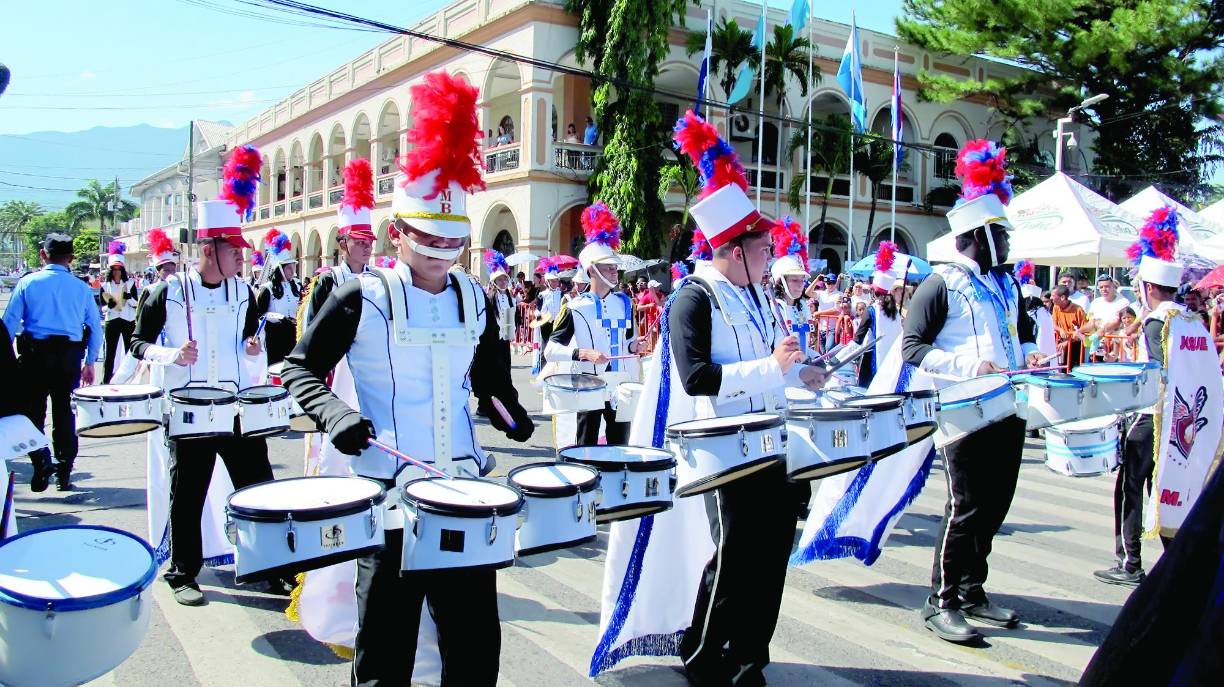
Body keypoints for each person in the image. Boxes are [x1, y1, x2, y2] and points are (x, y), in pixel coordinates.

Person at [281, 70, 534, 686]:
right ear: (397, 234)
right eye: (428, 244)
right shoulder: (357, 297)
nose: (441, 258)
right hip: (389, 501)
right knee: (385, 655)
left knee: (475, 651)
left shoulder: (477, 298)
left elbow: (490, 379)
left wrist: (509, 410)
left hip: (465, 493)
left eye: (453, 244)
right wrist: (338, 417)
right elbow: (300, 370)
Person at [592, 110, 827, 684]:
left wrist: (803, 375)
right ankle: (702, 655)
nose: (772, 256)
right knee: (732, 559)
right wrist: (772, 371)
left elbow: (776, 368)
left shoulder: (760, 298)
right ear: (732, 248)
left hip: (771, 445)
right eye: (762, 246)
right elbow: (698, 377)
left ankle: (750, 655)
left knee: (772, 555)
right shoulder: (691, 299)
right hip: (723, 453)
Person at [902, 139, 1041, 644]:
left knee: (996, 505)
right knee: (965, 507)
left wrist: (1031, 357)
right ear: (978, 235)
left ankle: (972, 590)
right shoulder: (940, 284)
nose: (1005, 242)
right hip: (963, 412)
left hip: (1009, 408)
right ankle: (940, 601)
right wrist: (968, 365)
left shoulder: (1007, 283)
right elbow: (912, 348)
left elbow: (1020, 332)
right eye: (998, 234)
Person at [129, 145, 275, 606]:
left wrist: (253, 348)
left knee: (258, 487)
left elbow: (250, 340)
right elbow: (137, 344)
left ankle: (267, 564)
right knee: (188, 493)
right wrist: (172, 355)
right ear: (210, 249)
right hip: (190, 411)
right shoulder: (166, 292)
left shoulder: (245, 292)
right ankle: (182, 573)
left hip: (234, 409)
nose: (242, 258)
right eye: (235, 250)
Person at [1093, 211, 1186, 588]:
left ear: (1148, 288)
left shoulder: (1154, 323)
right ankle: (1178, 560)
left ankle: (1130, 562)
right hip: (1184, 420)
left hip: (1152, 416)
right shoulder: (1189, 318)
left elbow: (1157, 374)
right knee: (1167, 490)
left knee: (1130, 486)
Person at [2, 234, 102, 492]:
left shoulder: (28, 283)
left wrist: (7, 363)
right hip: (68, 359)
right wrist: (90, 362)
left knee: (32, 413)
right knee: (64, 414)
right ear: (70, 258)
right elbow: (95, 327)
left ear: (43, 255)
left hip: (36, 356)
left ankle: (41, 460)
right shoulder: (81, 288)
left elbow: (9, 325)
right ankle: (65, 470)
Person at [545, 202, 638, 446]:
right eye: (608, 268)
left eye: (615, 268)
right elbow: (550, 350)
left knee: (621, 445)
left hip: (619, 384)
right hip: (589, 383)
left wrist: (633, 347)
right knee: (585, 445)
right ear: (592, 271)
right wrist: (583, 353)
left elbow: (627, 343)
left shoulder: (625, 303)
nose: (614, 272)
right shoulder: (575, 307)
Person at [302, 159, 375, 327]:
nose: (367, 247)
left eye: (369, 242)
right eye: (360, 242)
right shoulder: (328, 280)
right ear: (343, 245)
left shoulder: (376, 277)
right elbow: (311, 325)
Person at [855, 240, 905, 387]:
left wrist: (835, 359)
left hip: (873, 363)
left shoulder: (871, 310)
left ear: (873, 291)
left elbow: (857, 341)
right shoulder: (895, 310)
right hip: (893, 364)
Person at [769, 217, 815, 356]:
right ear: (781, 282)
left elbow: (805, 346)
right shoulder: (772, 309)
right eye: (794, 280)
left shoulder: (803, 306)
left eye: (802, 279)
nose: (801, 284)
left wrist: (816, 357)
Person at [255, 229, 301, 365]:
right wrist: (278, 317)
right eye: (288, 268)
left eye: (293, 267)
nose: (292, 271)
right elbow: (259, 316)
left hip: (293, 336)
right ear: (279, 269)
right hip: (275, 337)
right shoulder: (267, 289)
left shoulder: (297, 287)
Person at [100, 241, 139, 384]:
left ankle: (131, 379)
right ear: (111, 270)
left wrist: (129, 299)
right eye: (114, 269)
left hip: (128, 320)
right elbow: (102, 307)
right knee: (110, 353)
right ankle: (106, 381)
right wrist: (109, 305)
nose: (117, 271)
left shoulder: (130, 284)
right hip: (112, 320)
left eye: (119, 269)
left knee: (130, 352)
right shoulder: (105, 285)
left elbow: (137, 304)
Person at [1084, 274, 1130, 360]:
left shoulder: (1123, 302)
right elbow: (1091, 322)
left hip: (1116, 345)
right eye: (1101, 287)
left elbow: (1117, 322)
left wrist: (1103, 331)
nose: (1104, 289)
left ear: (1113, 286)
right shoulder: (1095, 302)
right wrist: (1079, 331)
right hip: (1099, 344)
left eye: (1107, 286)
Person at [485, 249, 516, 374]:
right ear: (494, 282)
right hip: (493, 337)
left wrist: (510, 333)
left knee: (505, 365)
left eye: (505, 280)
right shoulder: (490, 298)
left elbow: (511, 318)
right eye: (500, 280)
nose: (503, 282)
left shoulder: (510, 298)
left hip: (505, 338)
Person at [1051, 285, 1089, 368]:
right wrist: (1060, 329)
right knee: (1061, 369)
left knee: (1074, 370)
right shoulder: (1056, 307)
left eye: (1053, 296)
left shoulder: (1078, 310)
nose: (1051, 298)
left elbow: (1084, 330)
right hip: (1060, 343)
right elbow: (1053, 324)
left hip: (1076, 345)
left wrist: (1068, 341)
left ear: (1062, 297)